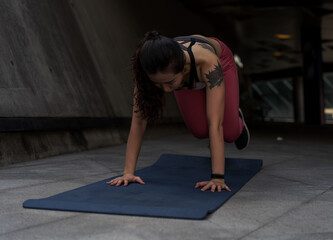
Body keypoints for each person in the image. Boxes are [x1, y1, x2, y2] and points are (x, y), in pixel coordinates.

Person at [106, 31, 250, 192]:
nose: (166, 90)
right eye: (158, 85)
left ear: (183, 68)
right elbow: (139, 120)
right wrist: (128, 173)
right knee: (199, 130)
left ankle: (236, 118)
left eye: (169, 83)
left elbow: (215, 124)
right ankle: (217, 114)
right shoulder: (148, 69)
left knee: (228, 133)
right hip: (181, 73)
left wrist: (217, 178)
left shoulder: (208, 61)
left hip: (220, 62)